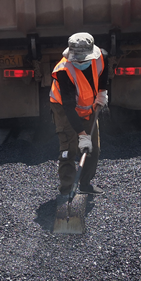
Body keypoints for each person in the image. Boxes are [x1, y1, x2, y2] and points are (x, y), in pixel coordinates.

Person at [49, 32, 108, 196]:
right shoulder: (64, 70)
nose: (81, 62)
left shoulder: (100, 56)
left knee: (93, 148)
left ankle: (85, 184)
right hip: (62, 108)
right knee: (69, 148)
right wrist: (81, 135)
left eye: (84, 59)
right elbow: (68, 106)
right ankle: (67, 189)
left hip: (88, 107)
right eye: (78, 59)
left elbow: (103, 73)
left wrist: (102, 93)